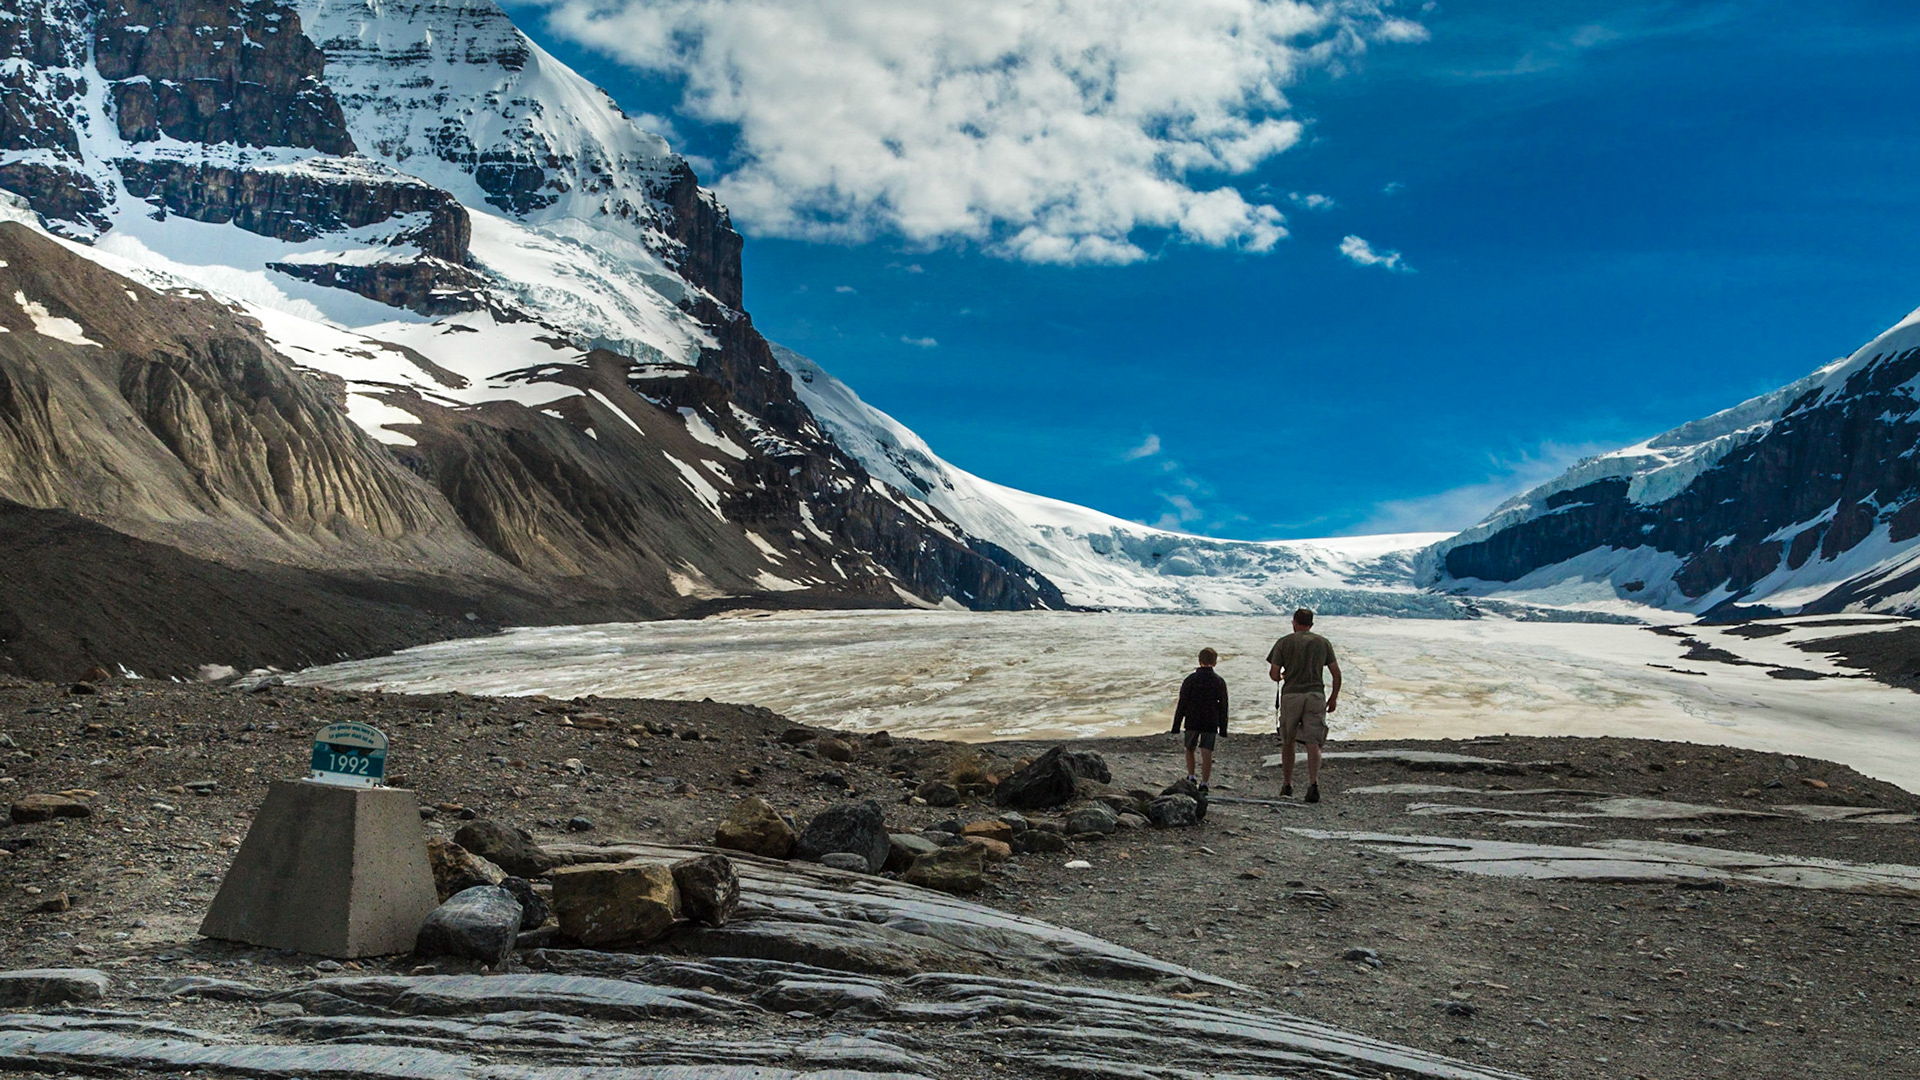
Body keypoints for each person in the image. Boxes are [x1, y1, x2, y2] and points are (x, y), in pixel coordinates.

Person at [1267, 607, 1340, 803]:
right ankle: (1313, 784)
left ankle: (1287, 784)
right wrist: (1333, 697)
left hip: (1292, 695)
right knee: (1313, 741)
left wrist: (1284, 675)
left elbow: (1274, 674)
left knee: (1288, 740)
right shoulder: (1323, 642)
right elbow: (1336, 673)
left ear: (1294, 622)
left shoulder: (1284, 642)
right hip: (1315, 694)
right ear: (1312, 624)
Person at [1170, 647, 1228, 790]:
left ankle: (1191, 776)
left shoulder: (1190, 680)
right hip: (1211, 719)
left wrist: (1176, 725)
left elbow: (1182, 703)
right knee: (1206, 750)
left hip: (1192, 718)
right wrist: (1223, 728)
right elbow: (1224, 706)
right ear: (1215, 663)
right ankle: (1205, 782)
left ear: (1199, 661)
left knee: (1190, 748)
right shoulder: (1219, 681)